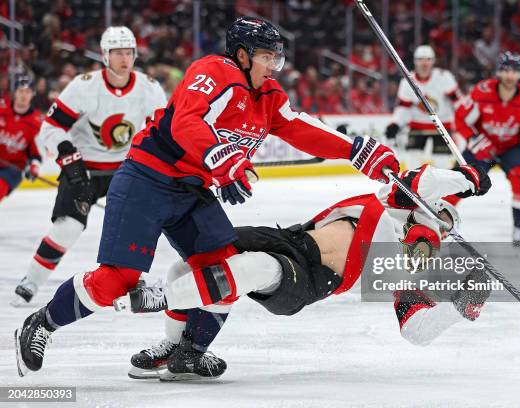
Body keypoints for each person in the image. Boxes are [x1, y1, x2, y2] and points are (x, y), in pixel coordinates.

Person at [14, 16, 399, 378]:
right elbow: (186, 122)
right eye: (266, 57)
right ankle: (41, 323)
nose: (273, 66)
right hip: (147, 179)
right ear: (243, 54)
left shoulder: (268, 94)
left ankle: (186, 352)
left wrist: (357, 150)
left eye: (276, 58)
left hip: (192, 189)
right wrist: (224, 160)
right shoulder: (213, 71)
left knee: (225, 268)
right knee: (118, 279)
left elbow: (299, 127)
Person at [118, 162, 491, 380]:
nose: (441, 229)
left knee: (252, 268)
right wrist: (468, 179)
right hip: (292, 239)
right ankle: (181, 352)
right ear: (426, 205)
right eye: (442, 218)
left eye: (447, 229)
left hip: (310, 280)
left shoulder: (400, 264)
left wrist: (460, 307)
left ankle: (161, 298)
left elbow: (416, 331)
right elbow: (419, 181)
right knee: (192, 262)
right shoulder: (386, 201)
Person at [13, 26, 168, 305]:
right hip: (83, 169)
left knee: (135, 227)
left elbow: (162, 133)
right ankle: (31, 281)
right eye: (118, 52)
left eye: (129, 52)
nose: (125, 58)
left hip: (126, 169)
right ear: (105, 56)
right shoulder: (84, 86)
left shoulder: (150, 88)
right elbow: (51, 127)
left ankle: (130, 278)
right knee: (67, 228)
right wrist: (68, 156)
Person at [447, 51, 520, 247]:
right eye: (506, 70)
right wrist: (473, 139)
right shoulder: (482, 92)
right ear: (499, 72)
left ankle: (519, 230)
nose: (510, 76)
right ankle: (441, 224)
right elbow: (460, 118)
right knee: (458, 181)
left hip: (511, 148)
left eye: (515, 71)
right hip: (483, 146)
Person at [384, 45, 461, 169]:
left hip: (442, 126)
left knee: (443, 165)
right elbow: (403, 108)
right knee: (412, 164)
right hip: (417, 126)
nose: (424, 63)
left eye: (428, 59)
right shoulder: (407, 82)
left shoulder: (444, 77)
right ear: (415, 61)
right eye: (420, 59)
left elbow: (458, 103)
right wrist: (395, 124)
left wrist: (464, 123)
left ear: (434, 61)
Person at [0, 76, 43, 203]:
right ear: (15, 93)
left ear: (32, 94)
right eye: (21, 91)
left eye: (28, 92)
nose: (24, 95)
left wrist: (34, 167)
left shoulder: (37, 122)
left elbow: (37, 153)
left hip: (12, 169)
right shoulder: (2, 107)